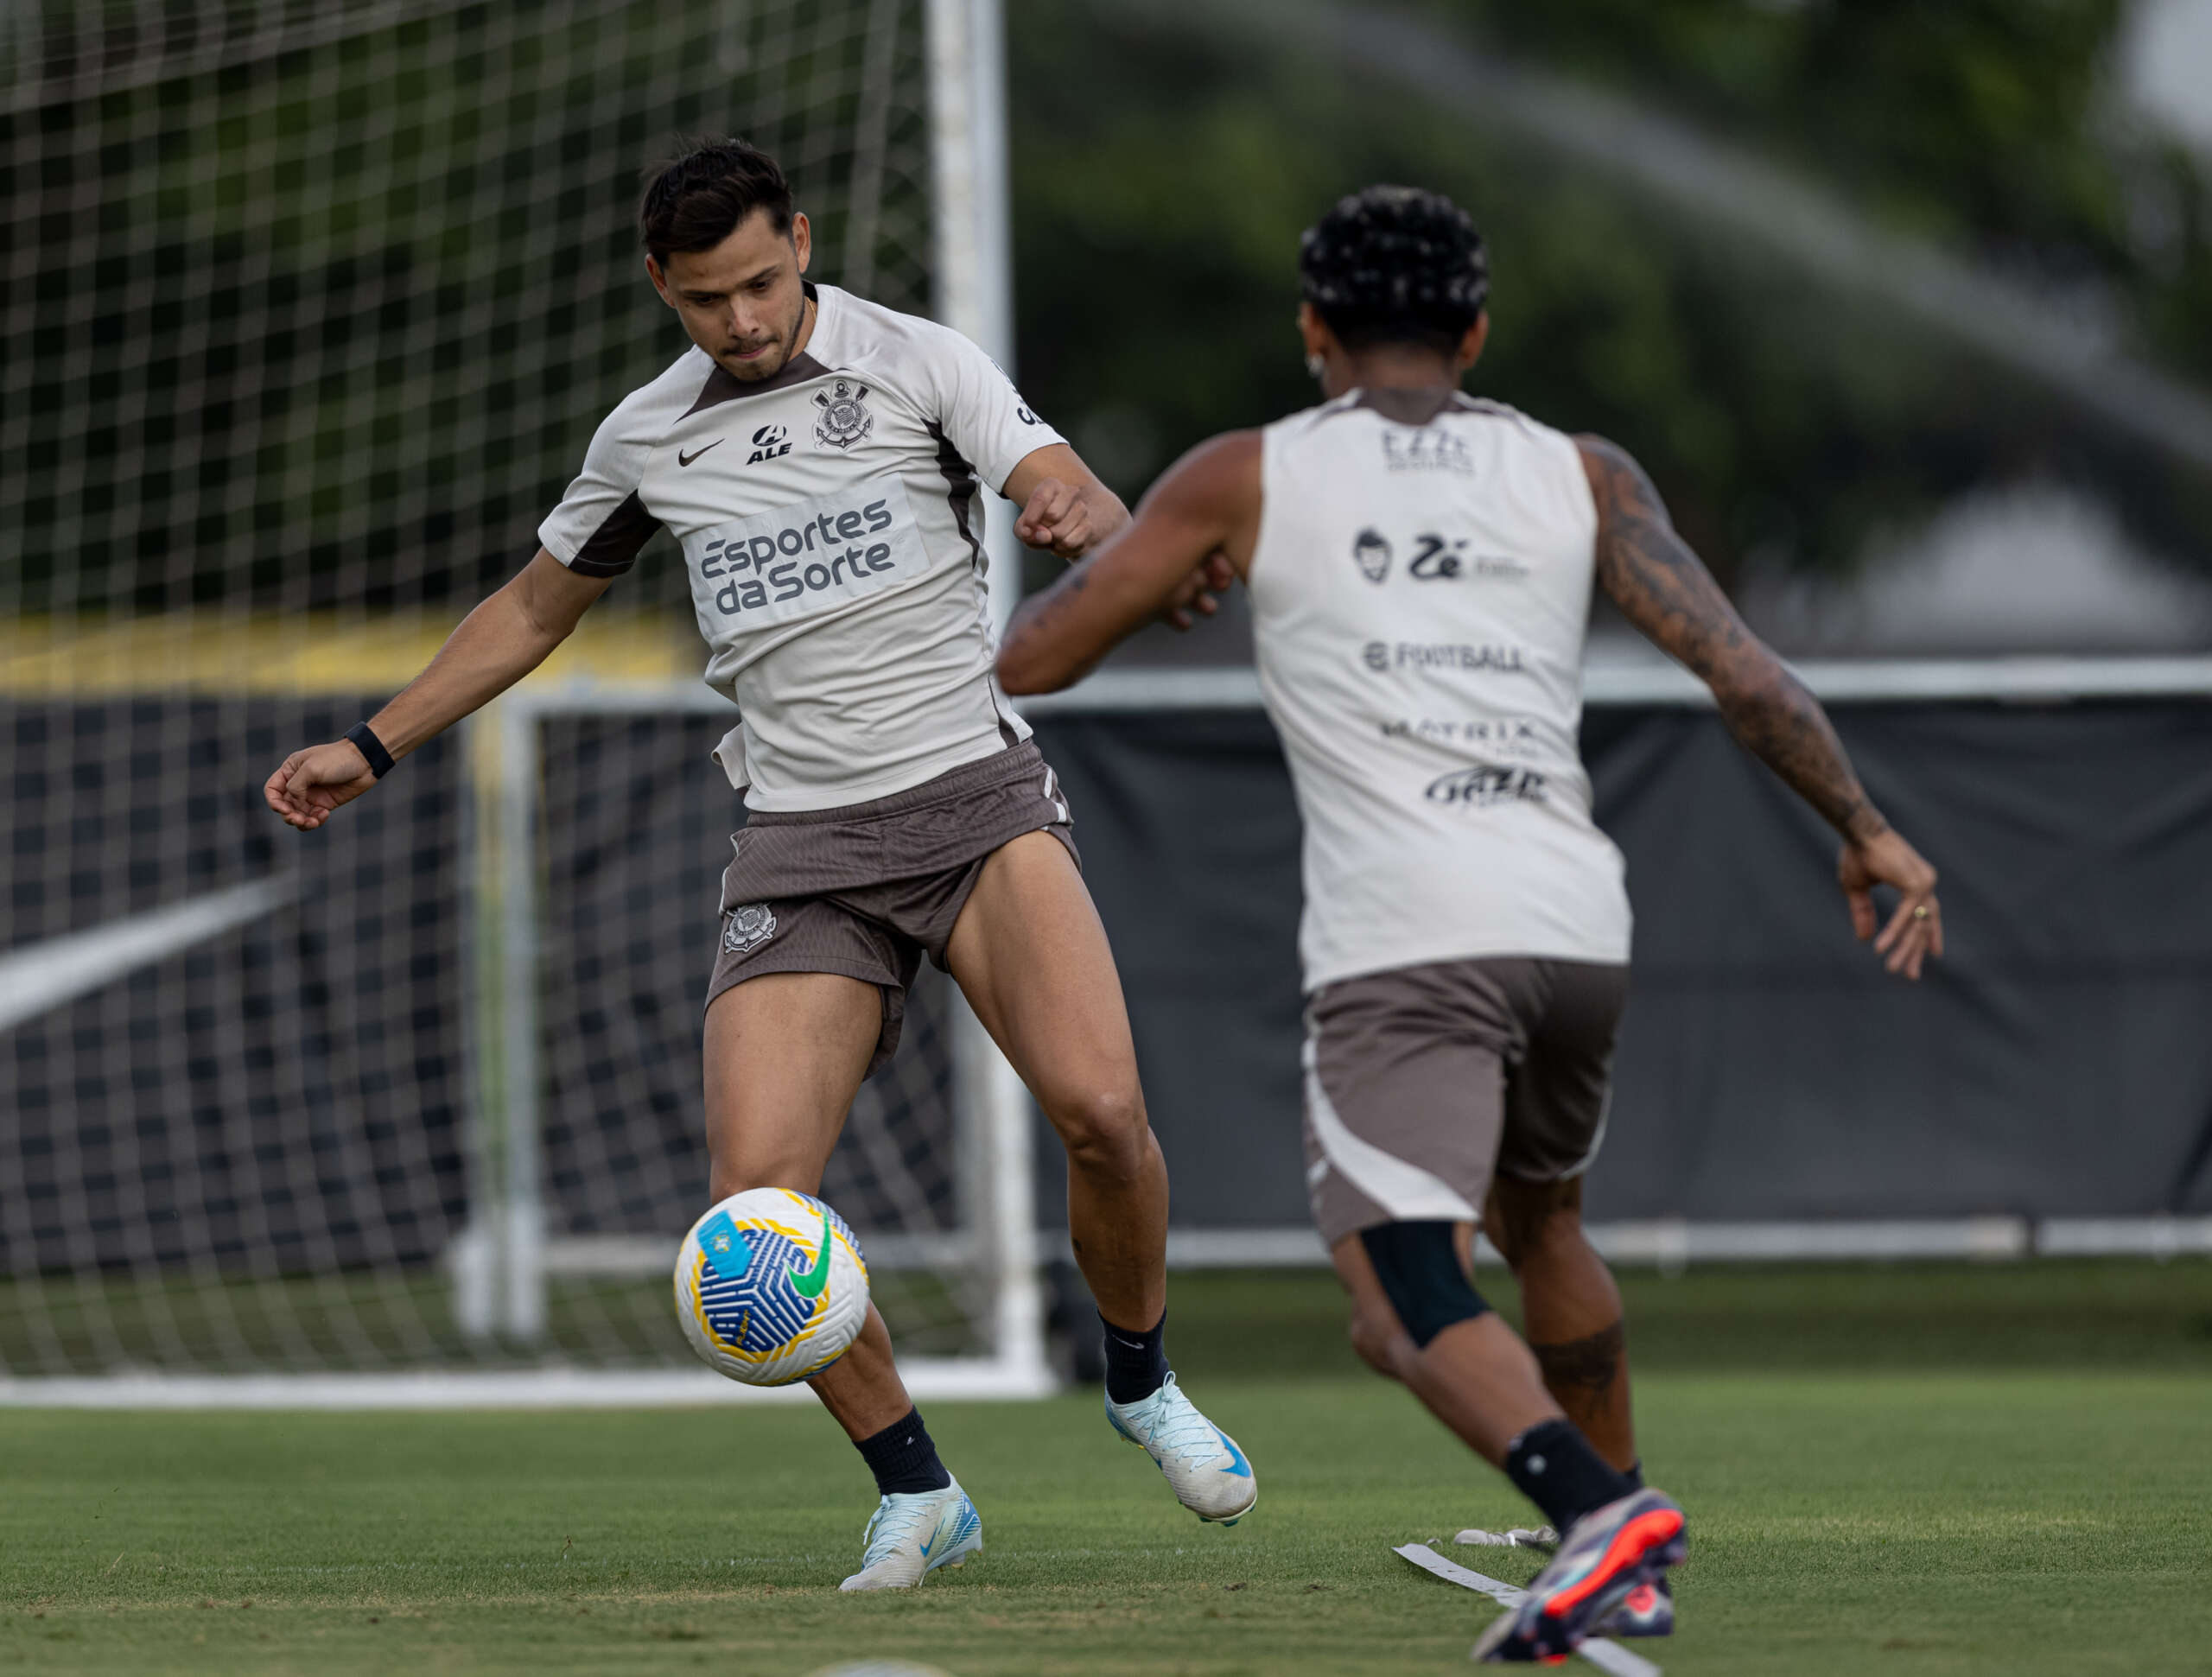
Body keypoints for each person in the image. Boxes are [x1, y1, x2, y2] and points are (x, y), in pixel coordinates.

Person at [264, 138, 1255, 1591]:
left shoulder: (918, 362)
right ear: (659, 286)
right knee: (756, 1227)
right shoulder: (647, 438)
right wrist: (376, 739)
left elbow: (1068, 486)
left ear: (802, 241)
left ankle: (1141, 1380)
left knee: (1105, 1113)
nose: (742, 321)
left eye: (763, 283)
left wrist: (1083, 518)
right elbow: (537, 607)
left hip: (975, 800)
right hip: (804, 838)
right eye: (706, 299)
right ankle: (918, 1489)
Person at [994, 184, 1944, 1661]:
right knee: (1542, 1217)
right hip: (1576, 920)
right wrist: (1870, 828)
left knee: (1395, 1290)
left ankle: (1592, 1514)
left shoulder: (1248, 470)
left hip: (1410, 934)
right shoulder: (1581, 470)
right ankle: (1624, 1537)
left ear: (1313, 329)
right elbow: (1748, 675)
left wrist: (1161, 563)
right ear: (1477, 328)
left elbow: (1038, 657)